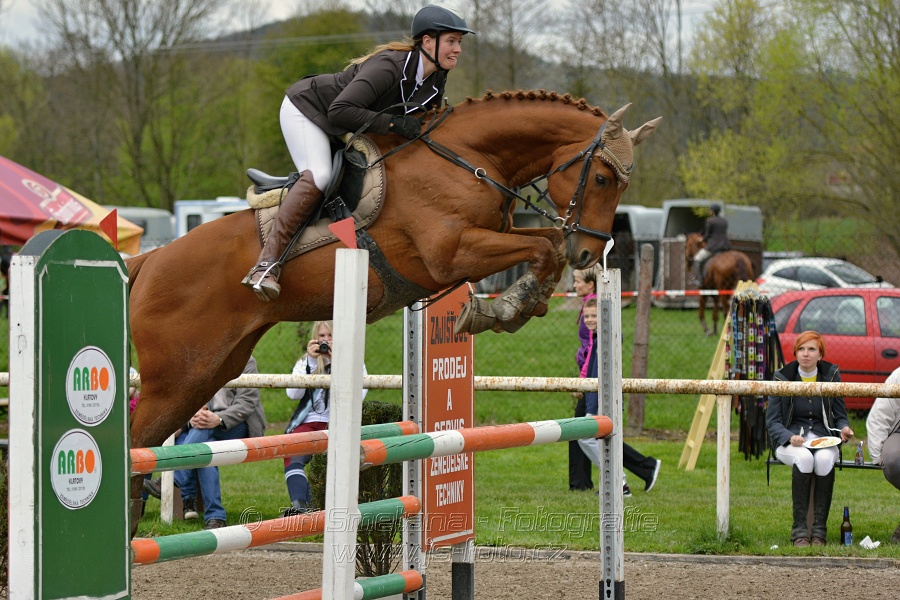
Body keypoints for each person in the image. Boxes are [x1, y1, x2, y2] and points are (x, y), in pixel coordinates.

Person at [242, 4, 475, 301]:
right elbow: (340, 111)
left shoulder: (435, 77)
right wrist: (392, 123)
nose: (458, 50)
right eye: (452, 41)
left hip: (346, 123)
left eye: (460, 42)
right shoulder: (389, 66)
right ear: (428, 42)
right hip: (308, 109)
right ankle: (265, 266)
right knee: (321, 176)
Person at [147, 356, 267, 529]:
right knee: (206, 448)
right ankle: (215, 517)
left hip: (238, 424)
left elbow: (247, 402)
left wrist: (218, 418)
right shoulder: (204, 357)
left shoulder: (245, 360)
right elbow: (189, 399)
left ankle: (177, 479)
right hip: (204, 426)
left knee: (203, 432)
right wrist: (190, 420)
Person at [766, 331, 854, 546]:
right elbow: (772, 422)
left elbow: (840, 415)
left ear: (820, 354)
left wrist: (844, 429)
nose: (806, 354)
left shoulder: (831, 375)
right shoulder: (782, 377)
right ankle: (799, 532)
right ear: (796, 353)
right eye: (801, 349)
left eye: (811, 349)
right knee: (804, 458)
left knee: (823, 460)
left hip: (824, 436)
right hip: (790, 440)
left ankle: (818, 532)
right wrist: (789, 437)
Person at [577, 297, 662, 496]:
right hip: (594, 398)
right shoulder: (596, 340)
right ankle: (620, 481)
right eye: (586, 316)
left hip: (602, 400)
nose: (589, 320)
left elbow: (602, 373)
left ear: (604, 317)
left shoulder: (606, 340)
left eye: (594, 316)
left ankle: (618, 481)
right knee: (599, 441)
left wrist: (594, 404)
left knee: (586, 438)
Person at [283, 321, 368, 516]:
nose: (326, 341)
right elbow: (292, 393)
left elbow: (359, 396)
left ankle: (315, 509)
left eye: (330, 336)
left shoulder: (353, 361)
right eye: (322, 336)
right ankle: (300, 506)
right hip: (307, 422)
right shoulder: (305, 362)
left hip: (335, 423)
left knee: (330, 463)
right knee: (291, 450)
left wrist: (338, 361)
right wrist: (312, 364)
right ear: (315, 338)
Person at [866, 366, 900, 543]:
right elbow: (880, 414)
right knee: (894, 460)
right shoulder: (899, 375)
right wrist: (878, 455)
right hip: (898, 432)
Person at [692, 203, 730, 283]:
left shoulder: (710, 221)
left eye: (710, 210)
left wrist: (701, 240)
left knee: (697, 259)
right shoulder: (724, 221)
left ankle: (699, 280)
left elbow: (707, 235)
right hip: (726, 246)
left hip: (714, 246)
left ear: (712, 211)